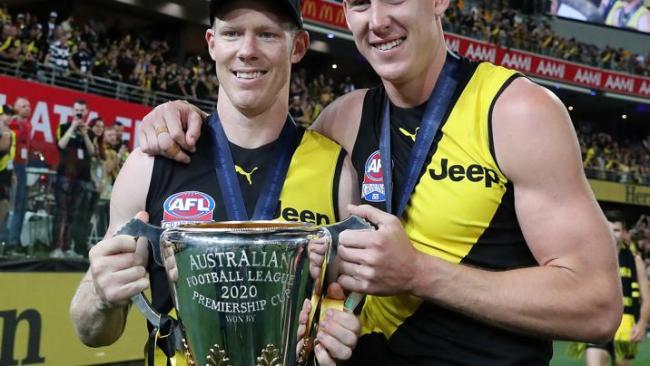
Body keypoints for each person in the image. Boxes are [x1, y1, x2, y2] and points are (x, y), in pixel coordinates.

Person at [137, 0, 623, 364]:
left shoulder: (516, 112)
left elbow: (597, 304)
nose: (378, 20)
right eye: (359, 3)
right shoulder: (341, 122)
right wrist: (176, 116)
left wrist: (418, 274)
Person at [69, 1, 359, 365]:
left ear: (297, 47)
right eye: (232, 33)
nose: (247, 50)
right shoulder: (152, 163)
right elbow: (91, 331)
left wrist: (340, 327)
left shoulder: (337, 172)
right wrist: (100, 295)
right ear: (211, 43)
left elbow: (343, 300)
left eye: (267, 34)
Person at [579, 210, 649, 366]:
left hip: (626, 327)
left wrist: (642, 324)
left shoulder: (635, 260)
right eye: (608, 229)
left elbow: (647, 297)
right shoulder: (592, 258)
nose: (612, 234)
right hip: (599, 322)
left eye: (616, 230)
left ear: (623, 232)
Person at [52, 100, 95, 258]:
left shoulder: (88, 131)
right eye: (76, 110)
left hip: (81, 178)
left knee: (74, 214)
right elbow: (61, 145)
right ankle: (57, 248)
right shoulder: (63, 127)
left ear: (86, 112)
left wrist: (84, 134)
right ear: (72, 112)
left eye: (82, 110)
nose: (79, 113)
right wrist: (72, 126)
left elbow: (91, 152)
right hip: (64, 175)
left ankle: (68, 246)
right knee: (61, 212)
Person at [7, 97, 31, 254]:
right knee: (11, 205)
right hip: (12, 166)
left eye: (29, 106)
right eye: (23, 106)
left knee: (20, 205)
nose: (28, 108)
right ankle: (8, 242)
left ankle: (13, 241)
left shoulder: (27, 125)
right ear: (15, 108)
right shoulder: (10, 124)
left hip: (22, 166)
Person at [0, 105, 15, 253]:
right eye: (6, 114)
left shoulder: (9, 132)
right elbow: (3, 148)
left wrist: (13, 173)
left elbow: (8, 155)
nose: (8, 117)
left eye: (11, 115)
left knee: (4, 205)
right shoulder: (5, 132)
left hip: (4, 173)